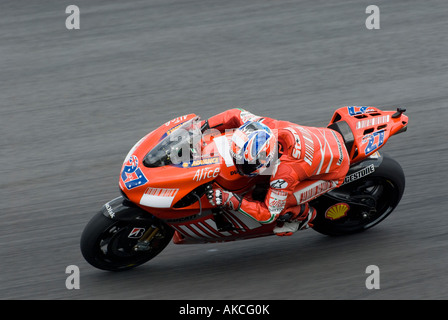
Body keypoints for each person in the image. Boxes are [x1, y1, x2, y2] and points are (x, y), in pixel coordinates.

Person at [202, 108, 350, 236]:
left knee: (277, 206)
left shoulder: (284, 175)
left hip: (333, 172)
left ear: (265, 159)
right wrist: (202, 128)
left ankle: (304, 215)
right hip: (326, 139)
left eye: (244, 165)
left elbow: (268, 214)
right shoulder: (262, 126)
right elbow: (234, 114)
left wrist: (232, 200)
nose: (239, 166)